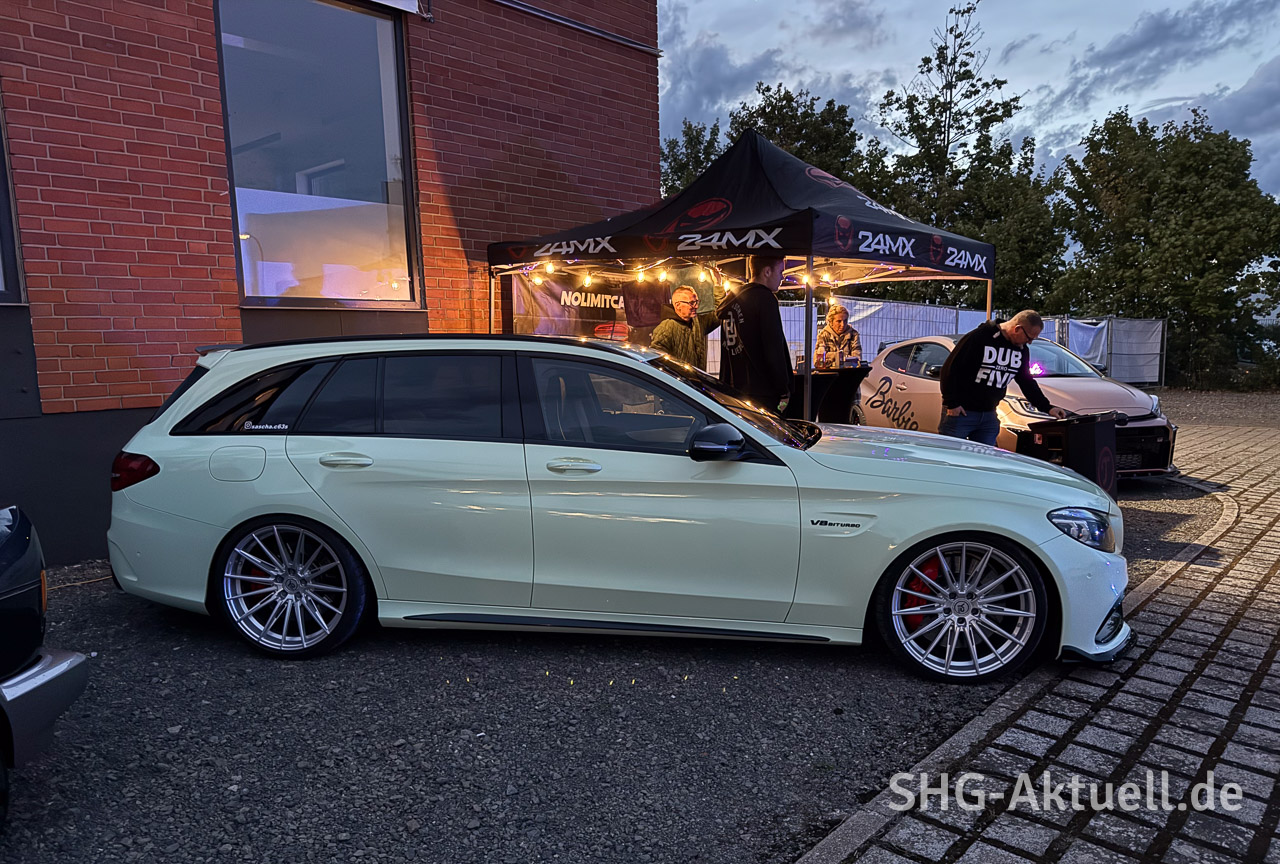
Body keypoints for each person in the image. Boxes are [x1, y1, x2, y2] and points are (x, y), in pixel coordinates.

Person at [939, 309, 1067, 445]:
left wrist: (1047, 407)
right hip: (962, 413)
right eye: (1029, 338)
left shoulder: (1021, 350)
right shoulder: (979, 337)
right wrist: (952, 403)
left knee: (986, 456)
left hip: (989, 415)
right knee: (951, 453)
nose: (1029, 342)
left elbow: (1026, 381)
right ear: (1017, 328)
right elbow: (950, 369)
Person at [716, 255, 791, 413]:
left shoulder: (733, 298)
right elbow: (773, 347)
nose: (782, 277)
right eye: (780, 271)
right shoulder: (765, 299)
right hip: (761, 391)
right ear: (767, 272)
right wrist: (783, 389)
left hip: (732, 388)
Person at [649, 284, 723, 370]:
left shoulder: (698, 322)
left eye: (696, 302)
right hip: (678, 379)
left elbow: (720, 313)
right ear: (678, 305)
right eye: (691, 303)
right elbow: (657, 361)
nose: (696, 306)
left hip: (695, 378)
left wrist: (718, 286)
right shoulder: (666, 328)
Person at [815, 303, 861, 367]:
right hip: (829, 372)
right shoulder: (823, 335)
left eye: (845, 321)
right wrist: (838, 356)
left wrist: (829, 356)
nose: (843, 324)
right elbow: (818, 362)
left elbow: (857, 361)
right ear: (831, 322)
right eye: (839, 321)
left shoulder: (853, 334)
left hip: (849, 372)